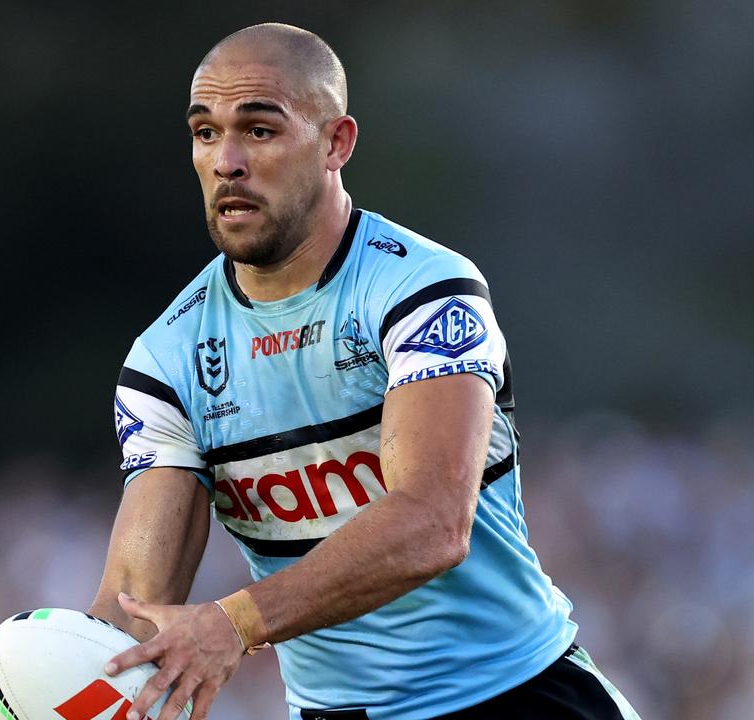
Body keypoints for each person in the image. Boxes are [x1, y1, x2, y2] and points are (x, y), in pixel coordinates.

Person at [91, 22, 640, 720]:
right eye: (205, 133)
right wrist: (73, 673)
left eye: (259, 131)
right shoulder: (165, 359)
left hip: (517, 698)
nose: (227, 160)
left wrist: (234, 623)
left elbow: (433, 523)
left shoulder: (423, 290)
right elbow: (135, 610)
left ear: (336, 143)